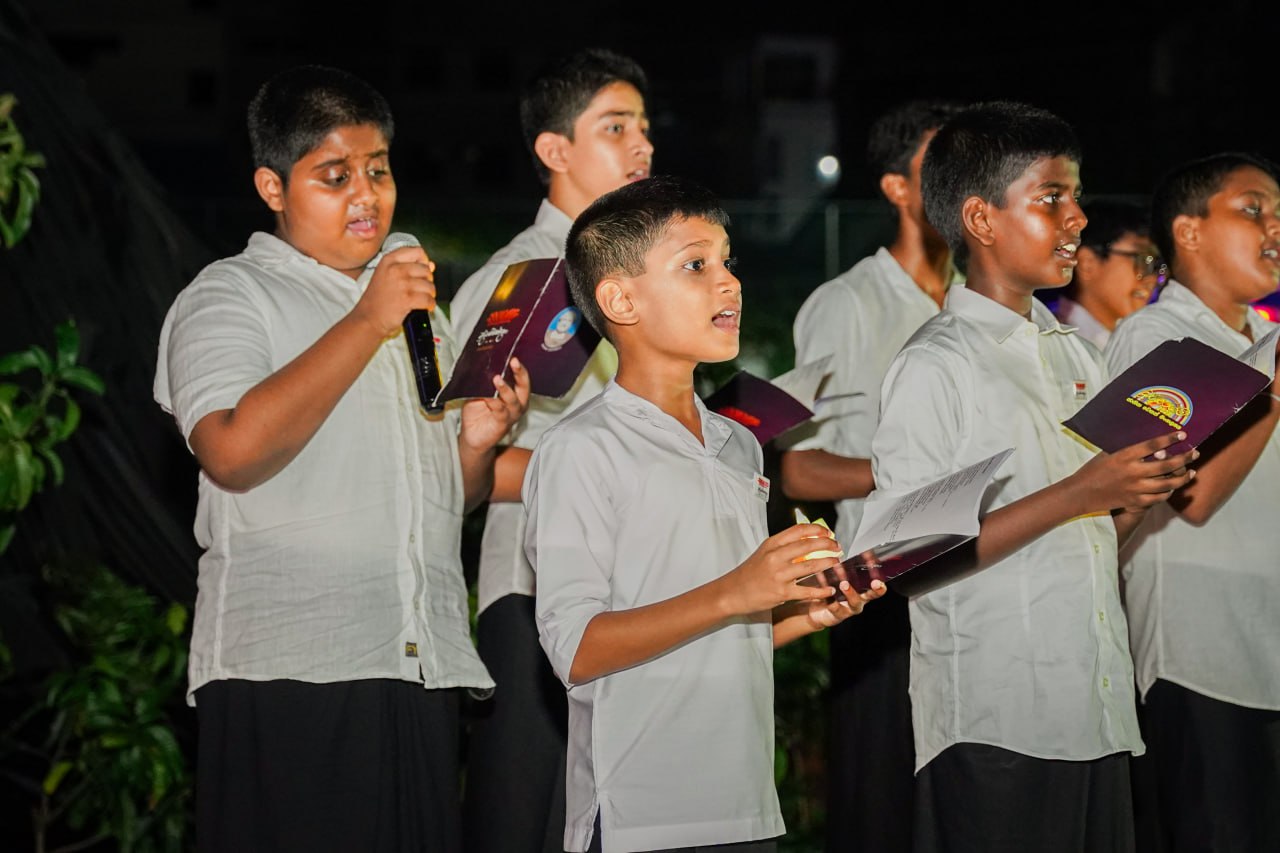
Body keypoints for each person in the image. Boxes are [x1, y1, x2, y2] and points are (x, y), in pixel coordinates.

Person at [153, 65, 530, 853]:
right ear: (272, 186)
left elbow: (447, 498)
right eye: (334, 176)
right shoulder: (228, 295)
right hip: (292, 666)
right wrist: (366, 320)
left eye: (378, 169)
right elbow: (231, 449)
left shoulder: (416, 311)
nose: (367, 194)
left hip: (417, 663)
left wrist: (476, 440)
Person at [869, 101, 1198, 853]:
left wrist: (1139, 493)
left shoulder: (1076, 355)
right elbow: (900, 559)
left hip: (1097, 709)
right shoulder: (936, 362)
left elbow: (1088, 543)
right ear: (982, 220)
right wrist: (1083, 492)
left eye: (1076, 196)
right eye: (1053, 198)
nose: (1077, 218)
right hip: (998, 721)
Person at [525, 174, 885, 853]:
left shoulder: (738, 442)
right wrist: (734, 592)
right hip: (642, 815)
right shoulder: (580, 448)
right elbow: (574, 648)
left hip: (744, 807)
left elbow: (724, 626)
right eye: (696, 264)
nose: (729, 282)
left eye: (728, 261)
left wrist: (803, 611)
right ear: (619, 298)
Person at [447, 47, 653, 853]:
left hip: (639, 597)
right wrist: (618, 472)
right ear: (553, 150)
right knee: (524, 819)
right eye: (615, 128)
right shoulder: (513, 281)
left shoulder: (643, 282)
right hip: (533, 592)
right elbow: (459, 467)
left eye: (644, 127)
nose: (642, 147)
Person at [779, 97, 962, 853]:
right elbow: (798, 467)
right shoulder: (845, 303)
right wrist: (912, 476)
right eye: (941, 165)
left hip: (971, 584)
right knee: (880, 804)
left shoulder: (982, 303)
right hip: (879, 590)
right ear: (896, 188)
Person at [1103, 151, 1280, 852]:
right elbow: (1192, 494)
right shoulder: (1155, 336)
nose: (1274, 228)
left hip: (1265, 645)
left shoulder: (1259, 345)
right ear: (1190, 231)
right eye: (1253, 209)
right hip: (1200, 653)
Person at [1050, 198, 1160, 350]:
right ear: (1087, 263)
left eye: (1156, 265)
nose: (1152, 278)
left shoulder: (1139, 342)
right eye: (1143, 260)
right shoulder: (1050, 343)